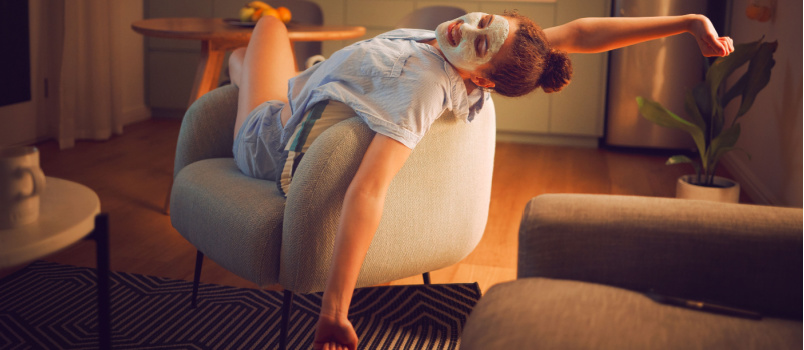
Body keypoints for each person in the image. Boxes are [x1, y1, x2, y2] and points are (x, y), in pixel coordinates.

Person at [227, 10, 733, 350]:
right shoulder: (500, 55)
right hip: (309, 94)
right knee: (245, 60)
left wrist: (335, 309)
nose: (466, 31)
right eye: (484, 21)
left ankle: (240, 74)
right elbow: (578, 35)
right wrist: (689, 23)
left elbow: (367, 190)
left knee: (267, 25)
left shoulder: (425, 85)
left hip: (268, 136)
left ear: (483, 80)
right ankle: (242, 69)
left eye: (482, 43)